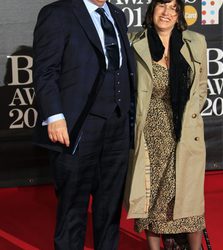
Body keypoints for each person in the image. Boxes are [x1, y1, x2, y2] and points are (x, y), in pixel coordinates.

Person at [33, 0, 135, 249]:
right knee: (72, 205)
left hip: (118, 124)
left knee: (110, 206)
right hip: (76, 125)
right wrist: (54, 116)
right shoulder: (58, 13)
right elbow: (45, 71)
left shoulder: (117, 15)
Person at [124, 0, 208, 249]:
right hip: (149, 132)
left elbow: (201, 85)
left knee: (188, 199)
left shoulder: (196, 41)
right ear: (152, 11)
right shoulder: (133, 42)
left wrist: (191, 111)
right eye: (162, 6)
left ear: (179, 14)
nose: (167, 12)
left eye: (174, 8)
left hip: (184, 132)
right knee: (151, 198)